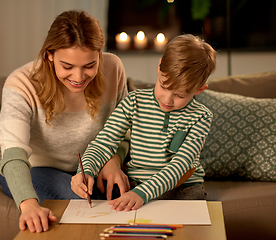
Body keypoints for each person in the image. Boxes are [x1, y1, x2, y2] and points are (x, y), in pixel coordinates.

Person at [0, 10, 130, 233]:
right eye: (67, 66)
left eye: (89, 65)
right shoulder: (21, 83)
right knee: (82, 207)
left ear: (100, 55)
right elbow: (13, 154)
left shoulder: (113, 68)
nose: (78, 78)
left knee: (128, 200)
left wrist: (114, 159)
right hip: (35, 169)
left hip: (92, 166)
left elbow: (124, 130)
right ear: (49, 54)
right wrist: (29, 206)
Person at [71, 34, 217, 212]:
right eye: (163, 85)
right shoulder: (133, 102)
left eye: (180, 95)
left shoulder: (201, 117)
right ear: (159, 66)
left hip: (182, 189)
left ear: (200, 90)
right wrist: (85, 171)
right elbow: (103, 144)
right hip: (135, 186)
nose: (168, 100)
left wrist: (142, 193)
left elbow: (180, 165)